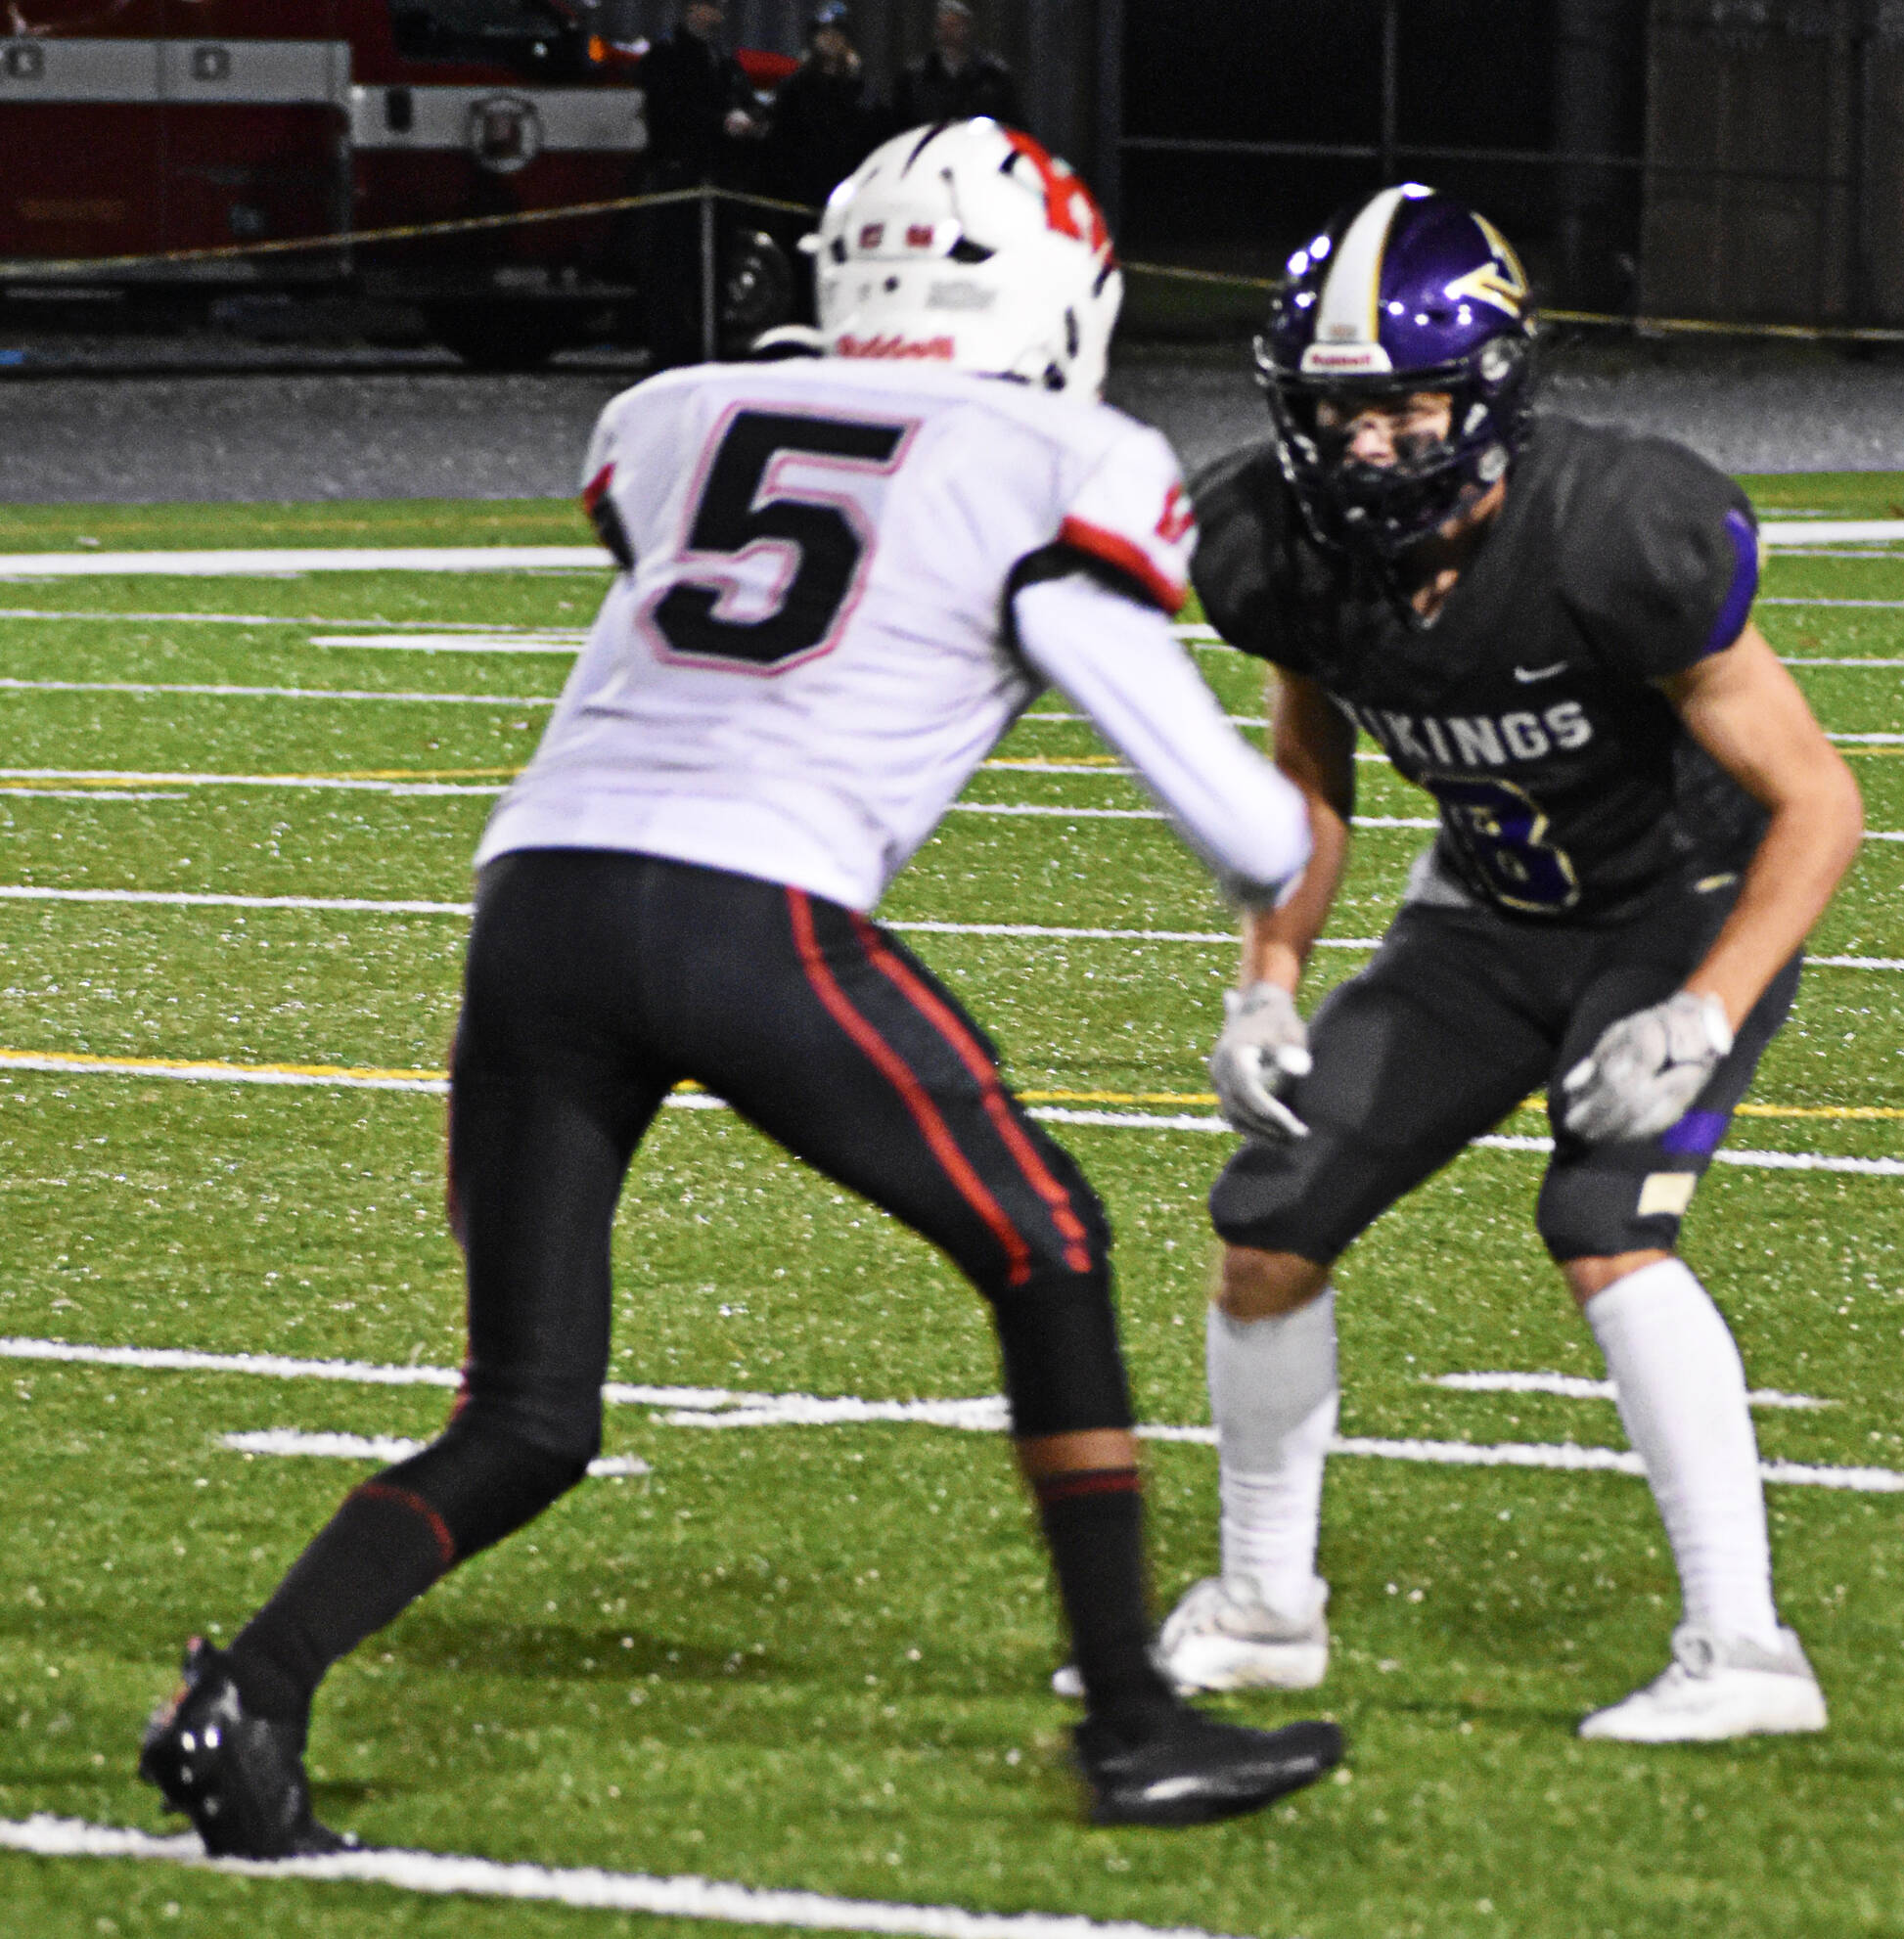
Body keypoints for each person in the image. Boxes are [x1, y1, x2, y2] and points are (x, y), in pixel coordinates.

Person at [138, 119, 1344, 1855]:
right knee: (1050, 1245)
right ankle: (1133, 1727)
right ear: (1056, 292)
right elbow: (1237, 820)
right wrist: (1261, 847)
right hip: (748, 912)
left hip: (536, 902)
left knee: (530, 1411)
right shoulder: (1045, 448)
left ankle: (246, 1696)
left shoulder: (676, 415)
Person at [1148, 184, 1863, 1741]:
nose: (1372, 445)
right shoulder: (1278, 547)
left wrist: (1702, 1010)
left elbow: (1817, 797)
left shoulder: (1621, 528)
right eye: (1338, 412)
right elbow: (1310, 776)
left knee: (1604, 1222)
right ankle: (1266, 1609)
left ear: (1489, 391)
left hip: (1678, 907)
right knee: (1269, 1217)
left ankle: (1744, 1648)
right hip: (1484, 916)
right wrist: (1266, 973)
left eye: (1407, 405)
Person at [633, 0, 764, 368]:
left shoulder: (721, 58)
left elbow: (743, 96)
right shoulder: (667, 56)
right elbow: (669, 111)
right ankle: (671, 349)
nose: (716, 14)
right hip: (679, 177)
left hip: (718, 177)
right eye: (708, 7)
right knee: (674, 270)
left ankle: (710, 343)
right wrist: (720, 122)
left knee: (717, 269)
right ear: (691, 10)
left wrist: (751, 118)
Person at [767, 3, 883, 213]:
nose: (831, 39)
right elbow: (781, 143)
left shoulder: (860, 89)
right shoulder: (794, 87)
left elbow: (871, 137)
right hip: (803, 193)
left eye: (837, 33)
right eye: (825, 33)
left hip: (849, 190)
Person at [893, 0, 1021, 130]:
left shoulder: (993, 77)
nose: (947, 34)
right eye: (942, 27)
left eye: (954, 26)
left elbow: (1012, 126)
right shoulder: (914, 79)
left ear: (968, 29)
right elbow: (901, 128)